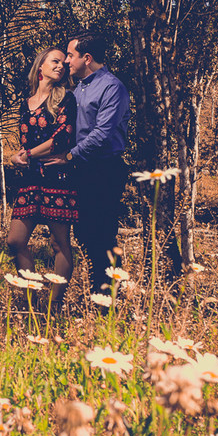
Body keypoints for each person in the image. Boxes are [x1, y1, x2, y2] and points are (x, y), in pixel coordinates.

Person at [44, 32, 130, 291]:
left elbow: (102, 134)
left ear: (87, 58)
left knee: (101, 235)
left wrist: (69, 156)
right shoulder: (75, 90)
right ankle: (99, 293)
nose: (66, 61)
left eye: (70, 55)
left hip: (104, 171)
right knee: (84, 234)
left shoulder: (111, 87)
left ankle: (109, 299)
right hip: (79, 171)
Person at [6, 47, 79, 309]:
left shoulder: (65, 99)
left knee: (59, 245)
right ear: (40, 67)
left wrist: (26, 155)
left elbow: (61, 138)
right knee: (15, 241)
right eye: (55, 61)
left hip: (57, 179)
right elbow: (26, 140)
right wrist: (20, 156)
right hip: (29, 180)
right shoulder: (24, 104)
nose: (61, 66)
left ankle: (53, 306)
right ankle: (31, 299)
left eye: (63, 63)